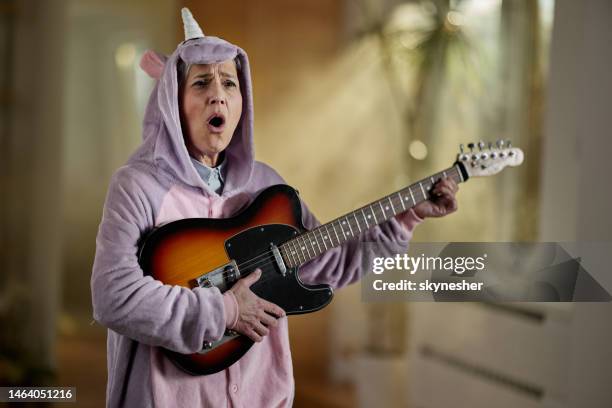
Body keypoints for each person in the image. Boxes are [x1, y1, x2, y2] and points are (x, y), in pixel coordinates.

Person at [91, 8, 458, 408]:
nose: (218, 93)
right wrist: (225, 310)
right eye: (200, 83)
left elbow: (328, 265)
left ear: (240, 103)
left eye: (229, 83)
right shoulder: (137, 186)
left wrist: (405, 219)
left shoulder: (269, 187)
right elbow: (114, 296)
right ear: (172, 103)